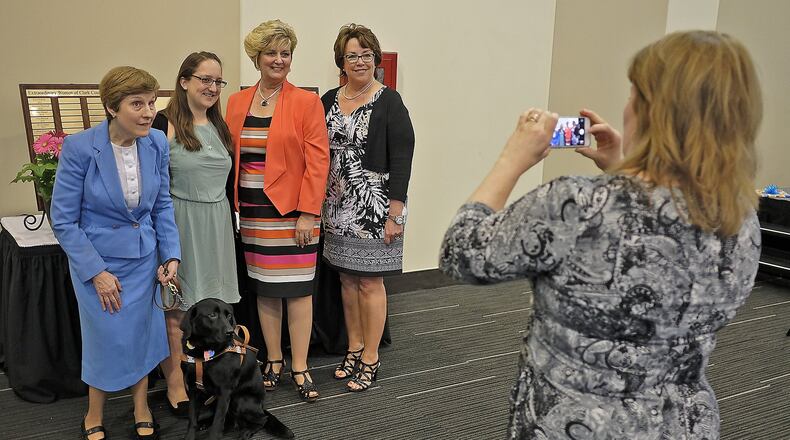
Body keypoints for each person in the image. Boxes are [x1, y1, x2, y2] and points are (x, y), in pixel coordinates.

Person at [439, 31, 762, 439]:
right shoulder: (741, 217)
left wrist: (513, 157)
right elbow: (654, 229)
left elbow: (461, 252)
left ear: (650, 111)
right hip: (682, 424)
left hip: (575, 424)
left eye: (633, 95)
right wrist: (624, 166)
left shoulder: (577, 204)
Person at [51, 66, 180, 440]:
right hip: (99, 264)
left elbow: (162, 206)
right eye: (136, 103)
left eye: (152, 102)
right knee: (106, 338)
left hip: (144, 260)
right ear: (111, 107)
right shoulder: (80, 148)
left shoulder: (156, 142)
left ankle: (140, 407)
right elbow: (63, 221)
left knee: (142, 333)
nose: (148, 111)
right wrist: (96, 272)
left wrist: (170, 255)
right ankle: (94, 413)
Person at [225, 19, 329, 402]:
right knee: (266, 292)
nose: (279, 60)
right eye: (271, 53)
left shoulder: (306, 102)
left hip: (293, 213)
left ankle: (299, 365)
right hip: (253, 213)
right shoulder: (236, 102)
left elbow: (319, 162)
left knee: (298, 293)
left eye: (285, 53)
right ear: (256, 57)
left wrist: (308, 212)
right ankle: (273, 360)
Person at [320, 23, 415, 392]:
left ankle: (371, 356)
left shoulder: (389, 101)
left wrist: (395, 213)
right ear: (340, 61)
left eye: (366, 55)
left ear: (375, 59)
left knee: (370, 281)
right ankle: (354, 347)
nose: (359, 61)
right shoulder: (328, 98)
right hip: (335, 201)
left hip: (374, 203)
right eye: (352, 55)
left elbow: (403, 158)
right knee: (346, 279)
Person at [151, 51, 240, 417]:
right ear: (184, 80)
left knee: (215, 309)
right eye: (204, 79)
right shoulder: (163, 123)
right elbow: (153, 187)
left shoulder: (220, 125)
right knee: (178, 310)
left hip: (216, 224)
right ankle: (174, 383)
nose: (212, 87)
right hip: (179, 223)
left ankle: (213, 378)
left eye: (218, 81)